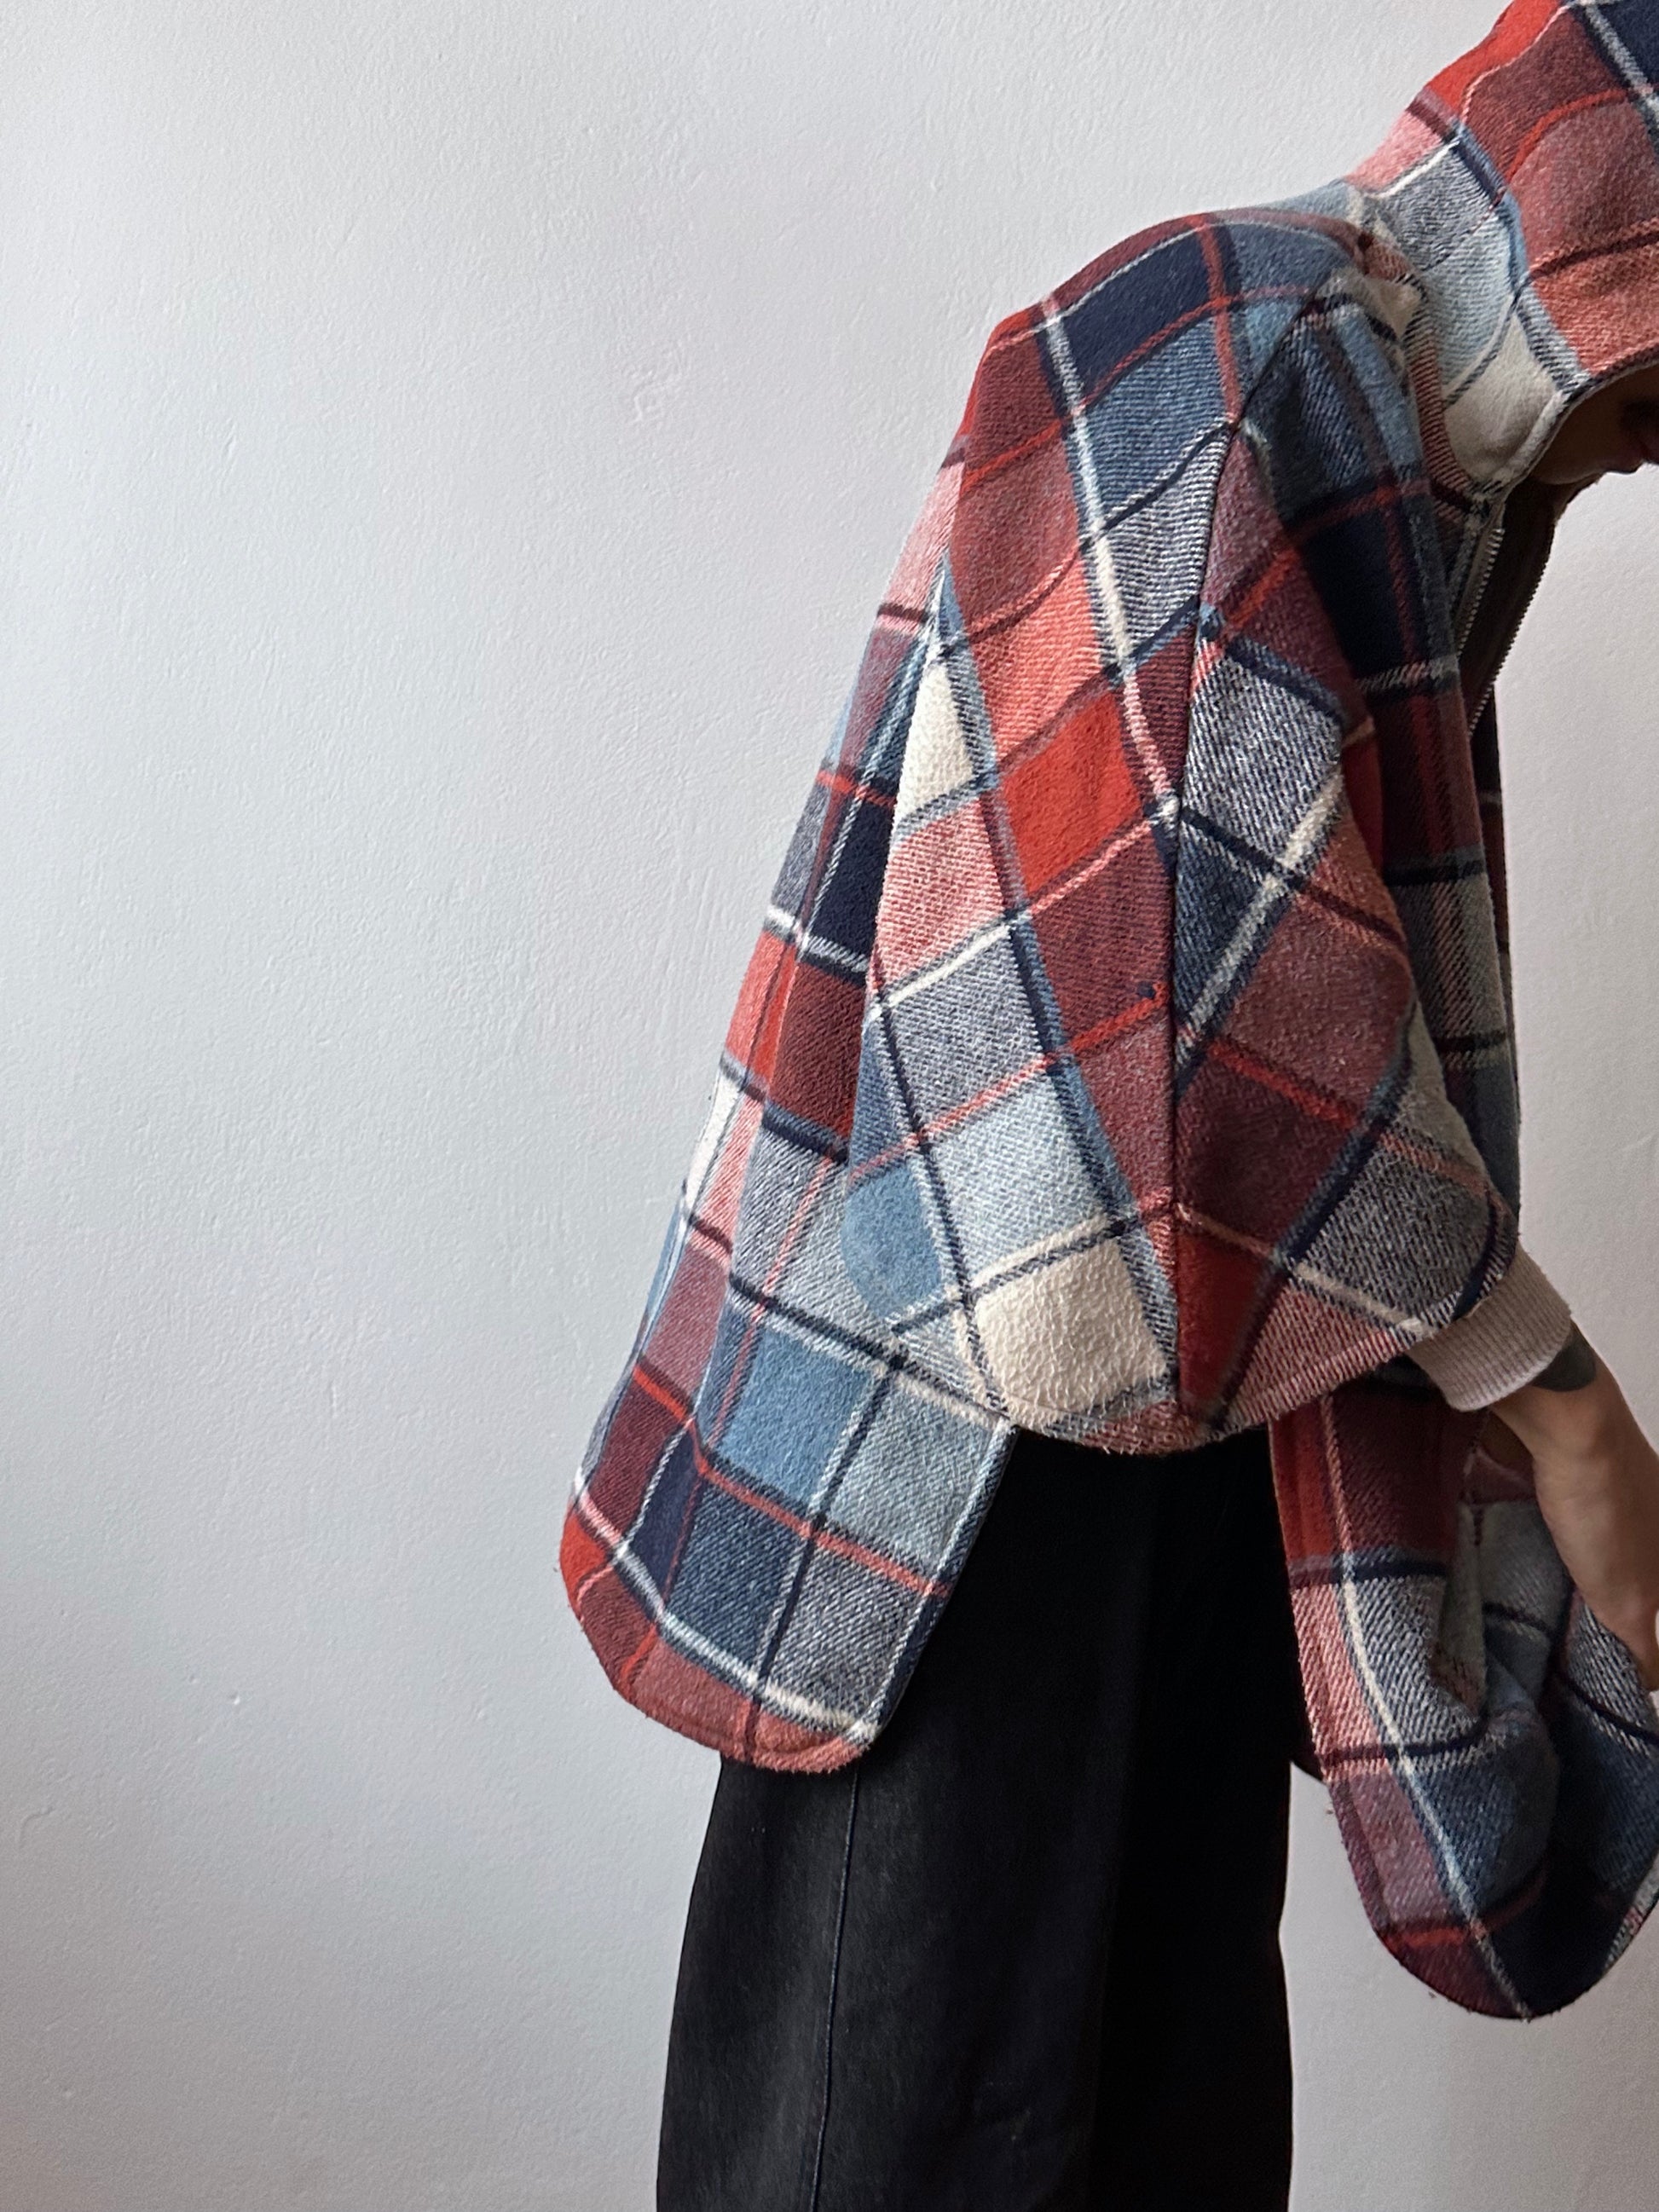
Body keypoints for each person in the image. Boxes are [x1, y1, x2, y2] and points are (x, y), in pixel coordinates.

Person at [564, 4, 1659, 2204]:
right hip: (971, 1485)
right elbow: (1162, 1007)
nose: (1644, 452)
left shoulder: (1352, 421)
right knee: (893, 2146)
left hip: (1167, 1449)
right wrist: (1557, 1407)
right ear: (1585, 222)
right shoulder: (1239, 334)